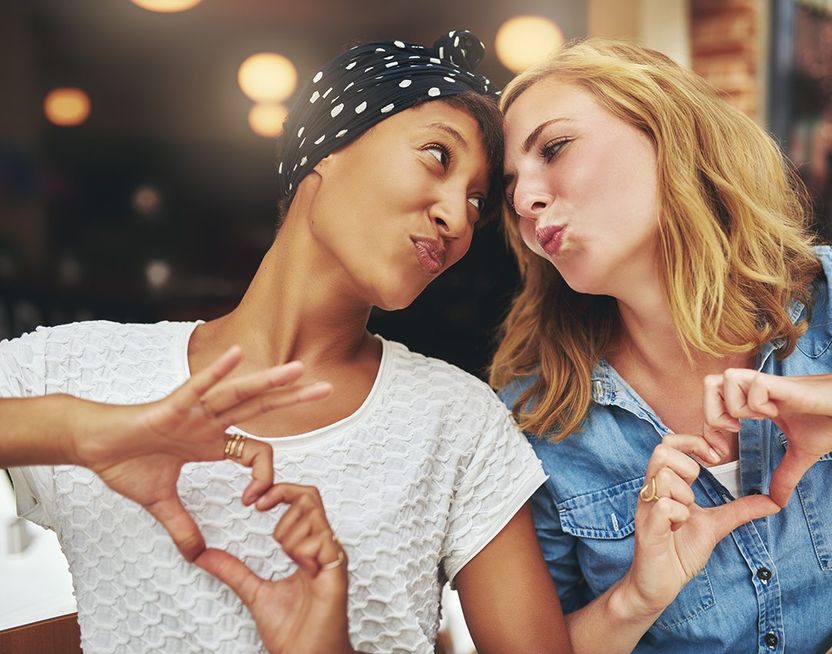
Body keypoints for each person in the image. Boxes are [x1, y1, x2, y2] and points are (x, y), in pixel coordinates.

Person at [1, 32, 571, 654]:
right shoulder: (83, 368)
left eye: (476, 201)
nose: (458, 221)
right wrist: (95, 434)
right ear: (326, 152)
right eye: (437, 155)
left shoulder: (456, 421)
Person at [490, 37, 832, 653]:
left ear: (668, 132)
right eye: (509, 187)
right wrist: (636, 597)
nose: (525, 201)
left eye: (554, 148)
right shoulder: (538, 414)